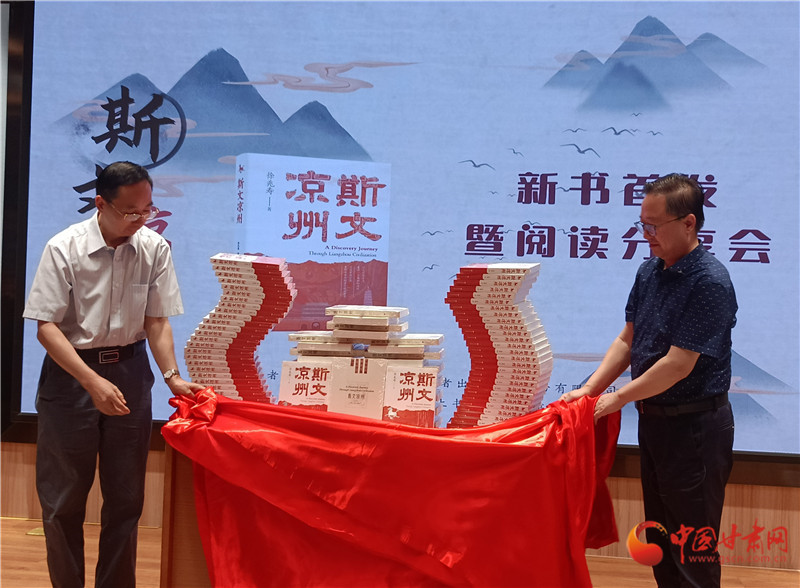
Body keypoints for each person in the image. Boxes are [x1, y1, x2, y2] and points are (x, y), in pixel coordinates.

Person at [23, 161, 205, 588]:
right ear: (100, 203)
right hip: (71, 377)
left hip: (130, 371)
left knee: (126, 499)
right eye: (131, 212)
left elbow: (157, 320)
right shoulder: (64, 247)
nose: (141, 219)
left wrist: (172, 376)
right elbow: (46, 327)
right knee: (63, 500)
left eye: (147, 209)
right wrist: (91, 381)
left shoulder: (154, 248)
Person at [561, 173, 737, 588]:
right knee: (660, 540)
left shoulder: (709, 281)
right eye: (642, 224)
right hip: (655, 423)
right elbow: (628, 339)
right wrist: (591, 390)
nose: (646, 235)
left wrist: (617, 398)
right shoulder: (649, 272)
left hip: (695, 429)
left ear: (689, 223)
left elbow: (678, 364)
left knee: (691, 548)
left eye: (654, 226)